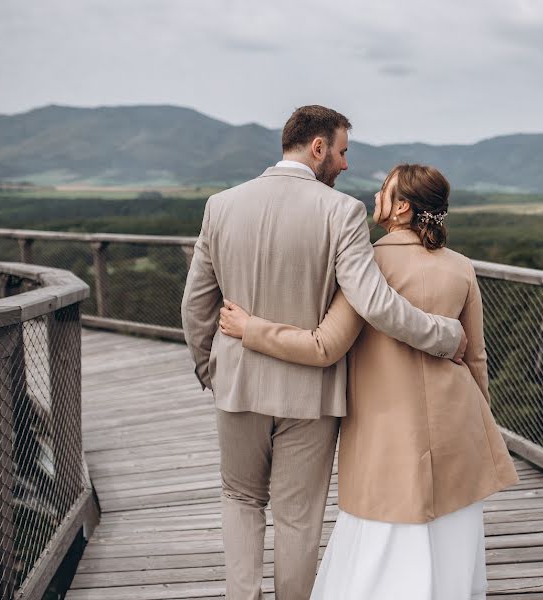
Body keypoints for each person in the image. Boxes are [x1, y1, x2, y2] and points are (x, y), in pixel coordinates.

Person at [180, 107, 467, 600]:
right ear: (318, 148)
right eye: (342, 151)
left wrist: (213, 369)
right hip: (310, 396)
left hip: (237, 385)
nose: (345, 164)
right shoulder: (343, 212)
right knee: (298, 519)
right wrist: (444, 335)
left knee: (240, 499)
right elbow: (374, 302)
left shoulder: (221, 205)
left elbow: (195, 305)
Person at [219, 164, 520, 599]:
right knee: (452, 554)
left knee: (383, 557)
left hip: (387, 438)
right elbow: (476, 358)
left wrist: (251, 329)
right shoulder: (462, 268)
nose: (375, 196)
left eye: (384, 189)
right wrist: (483, 430)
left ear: (401, 207)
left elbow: (325, 345)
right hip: (460, 432)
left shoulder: (368, 265)